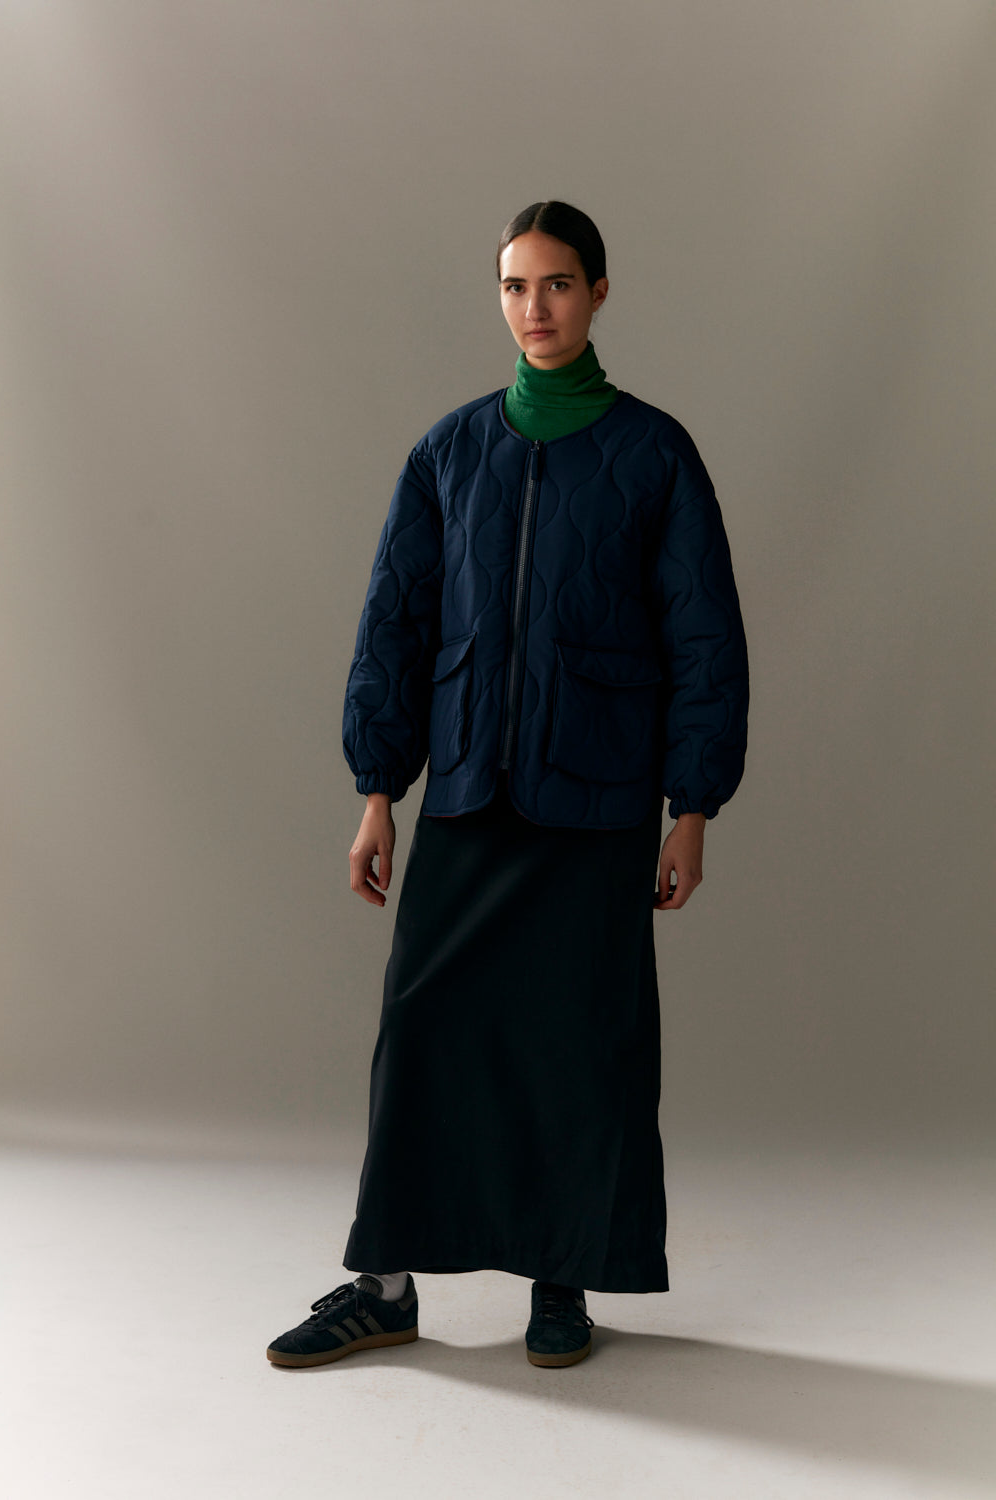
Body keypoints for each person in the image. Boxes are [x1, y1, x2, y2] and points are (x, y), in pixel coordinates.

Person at [266, 200, 749, 1371]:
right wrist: (378, 790)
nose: (535, 307)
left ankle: (559, 1282)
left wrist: (691, 808)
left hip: (598, 800)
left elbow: (704, 640)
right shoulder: (449, 451)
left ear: (598, 293)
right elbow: (396, 623)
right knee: (421, 1029)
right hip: (471, 790)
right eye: (515, 286)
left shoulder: (653, 454)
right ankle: (384, 1287)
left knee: (578, 1043)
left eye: (558, 284)